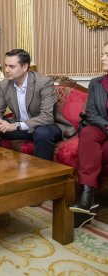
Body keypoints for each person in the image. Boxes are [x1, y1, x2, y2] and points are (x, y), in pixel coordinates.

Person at [0, 49, 75, 161]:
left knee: (43, 133)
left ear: (24, 67)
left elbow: (47, 117)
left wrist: (15, 126)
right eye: (5, 66)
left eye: (11, 66)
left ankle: (41, 174)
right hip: (21, 128)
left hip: (45, 126)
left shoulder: (43, 83)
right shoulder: (5, 84)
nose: (6, 70)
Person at [69, 41, 108, 215]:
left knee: (102, 150)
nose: (102, 58)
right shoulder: (96, 83)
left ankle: (88, 200)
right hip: (100, 125)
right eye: (102, 54)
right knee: (87, 133)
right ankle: (86, 195)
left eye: (107, 55)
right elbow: (91, 112)